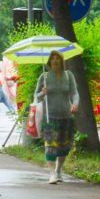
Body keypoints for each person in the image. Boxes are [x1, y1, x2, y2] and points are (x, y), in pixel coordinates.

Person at [34, 50, 80, 183]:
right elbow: (36, 96)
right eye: (52, 59)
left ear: (61, 61)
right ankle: (52, 174)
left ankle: (59, 170)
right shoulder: (45, 76)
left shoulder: (68, 75)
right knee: (50, 145)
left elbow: (74, 93)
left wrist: (75, 104)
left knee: (64, 147)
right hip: (49, 119)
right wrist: (42, 93)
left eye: (57, 58)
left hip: (66, 117)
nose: (55, 61)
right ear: (49, 62)